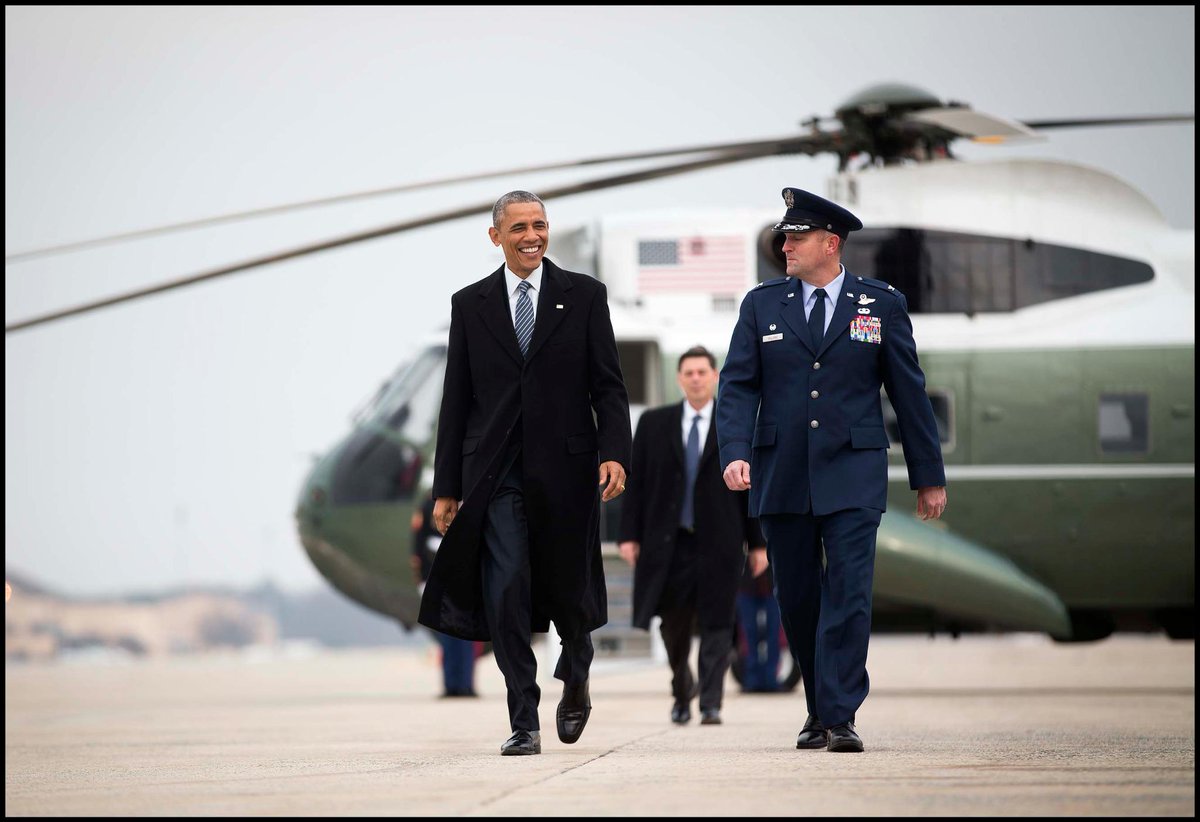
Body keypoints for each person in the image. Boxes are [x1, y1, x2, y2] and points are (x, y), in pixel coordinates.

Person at [717, 187, 947, 753]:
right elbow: (738, 386)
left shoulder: (881, 305)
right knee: (797, 597)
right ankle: (820, 708)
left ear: (830, 243)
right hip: (782, 472)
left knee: (848, 592)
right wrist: (735, 451)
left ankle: (840, 714)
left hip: (853, 471)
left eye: (796, 237)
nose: (785, 244)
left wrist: (928, 475)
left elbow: (909, 393)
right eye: (785, 236)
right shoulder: (761, 305)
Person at [418, 190, 632, 757]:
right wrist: (447, 488)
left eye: (539, 225)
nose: (532, 236)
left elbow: (608, 385)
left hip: (567, 469)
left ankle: (577, 674)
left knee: (569, 591)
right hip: (496, 472)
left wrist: (615, 452)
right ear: (496, 237)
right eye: (519, 228)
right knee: (506, 587)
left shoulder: (583, 296)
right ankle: (524, 716)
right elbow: (455, 401)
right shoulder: (470, 305)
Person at [617, 346, 765, 726]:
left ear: (715, 376)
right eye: (689, 373)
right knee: (673, 624)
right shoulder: (653, 423)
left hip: (720, 542)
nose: (696, 378)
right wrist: (629, 536)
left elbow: (751, 487)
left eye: (702, 371)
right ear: (679, 378)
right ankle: (682, 689)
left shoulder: (733, 423)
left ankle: (711, 703)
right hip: (669, 544)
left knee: (718, 622)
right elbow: (637, 486)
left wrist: (759, 542)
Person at [411, 495, 478, 698]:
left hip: (464, 576)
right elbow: (419, 544)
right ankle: (451, 685)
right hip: (437, 577)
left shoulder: (469, 499)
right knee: (447, 636)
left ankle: (466, 684)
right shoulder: (426, 504)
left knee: (466, 635)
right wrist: (423, 580)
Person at [735, 550, 781, 693]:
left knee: (774, 632)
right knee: (749, 632)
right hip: (746, 584)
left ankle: (770, 678)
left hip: (772, 583)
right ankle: (752, 678)